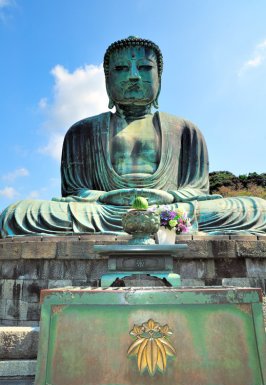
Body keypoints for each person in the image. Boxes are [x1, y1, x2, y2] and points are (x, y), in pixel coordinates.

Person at [1, 36, 266, 237]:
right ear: (107, 80)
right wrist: (106, 197)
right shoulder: (81, 132)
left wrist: (170, 199)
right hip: (103, 213)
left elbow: (197, 190)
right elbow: (75, 192)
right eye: (120, 70)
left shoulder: (186, 130)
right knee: (17, 215)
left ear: (159, 77)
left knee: (257, 210)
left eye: (144, 67)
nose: (133, 76)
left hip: (171, 212)